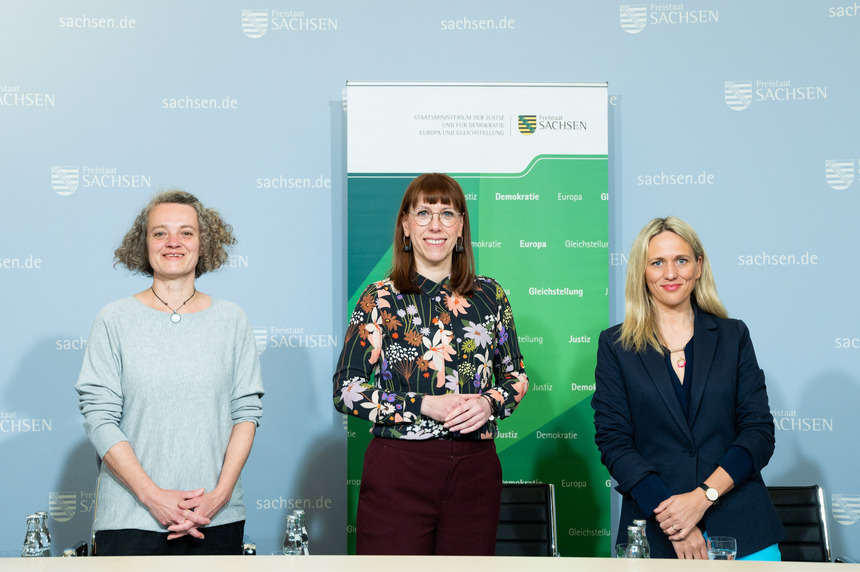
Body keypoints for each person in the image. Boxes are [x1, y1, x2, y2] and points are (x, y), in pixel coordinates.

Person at [332, 173, 529, 555]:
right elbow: (346, 390)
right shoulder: (379, 298)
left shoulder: (492, 295)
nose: (435, 225)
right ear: (406, 226)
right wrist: (421, 404)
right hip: (399, 470)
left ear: (461, 228)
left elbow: (516, 377)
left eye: (447, 214)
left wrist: (489, 403)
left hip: (476, 471)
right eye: (423, 213)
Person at [75, 190, 264, 556]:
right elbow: (99, 417)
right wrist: (154, 498)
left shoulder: (232, 320)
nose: (173, 242)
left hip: (215, 519)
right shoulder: (113, 320)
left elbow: (246, 414)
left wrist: (219, 497)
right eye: (160, 233)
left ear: (203, 243)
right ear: (143, 244)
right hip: (131, 521)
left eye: (186, 232)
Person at [591, 217, 784, 560]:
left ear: (699, 266)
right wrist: (674, 521)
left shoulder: (733, 336)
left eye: (681, 260)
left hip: (742, 526)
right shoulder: (615, 346)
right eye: (657, 262)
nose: (670, 273)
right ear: (642, 271)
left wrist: (702, 498)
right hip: (655, 532)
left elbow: (758, 433)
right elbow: (615, 443)